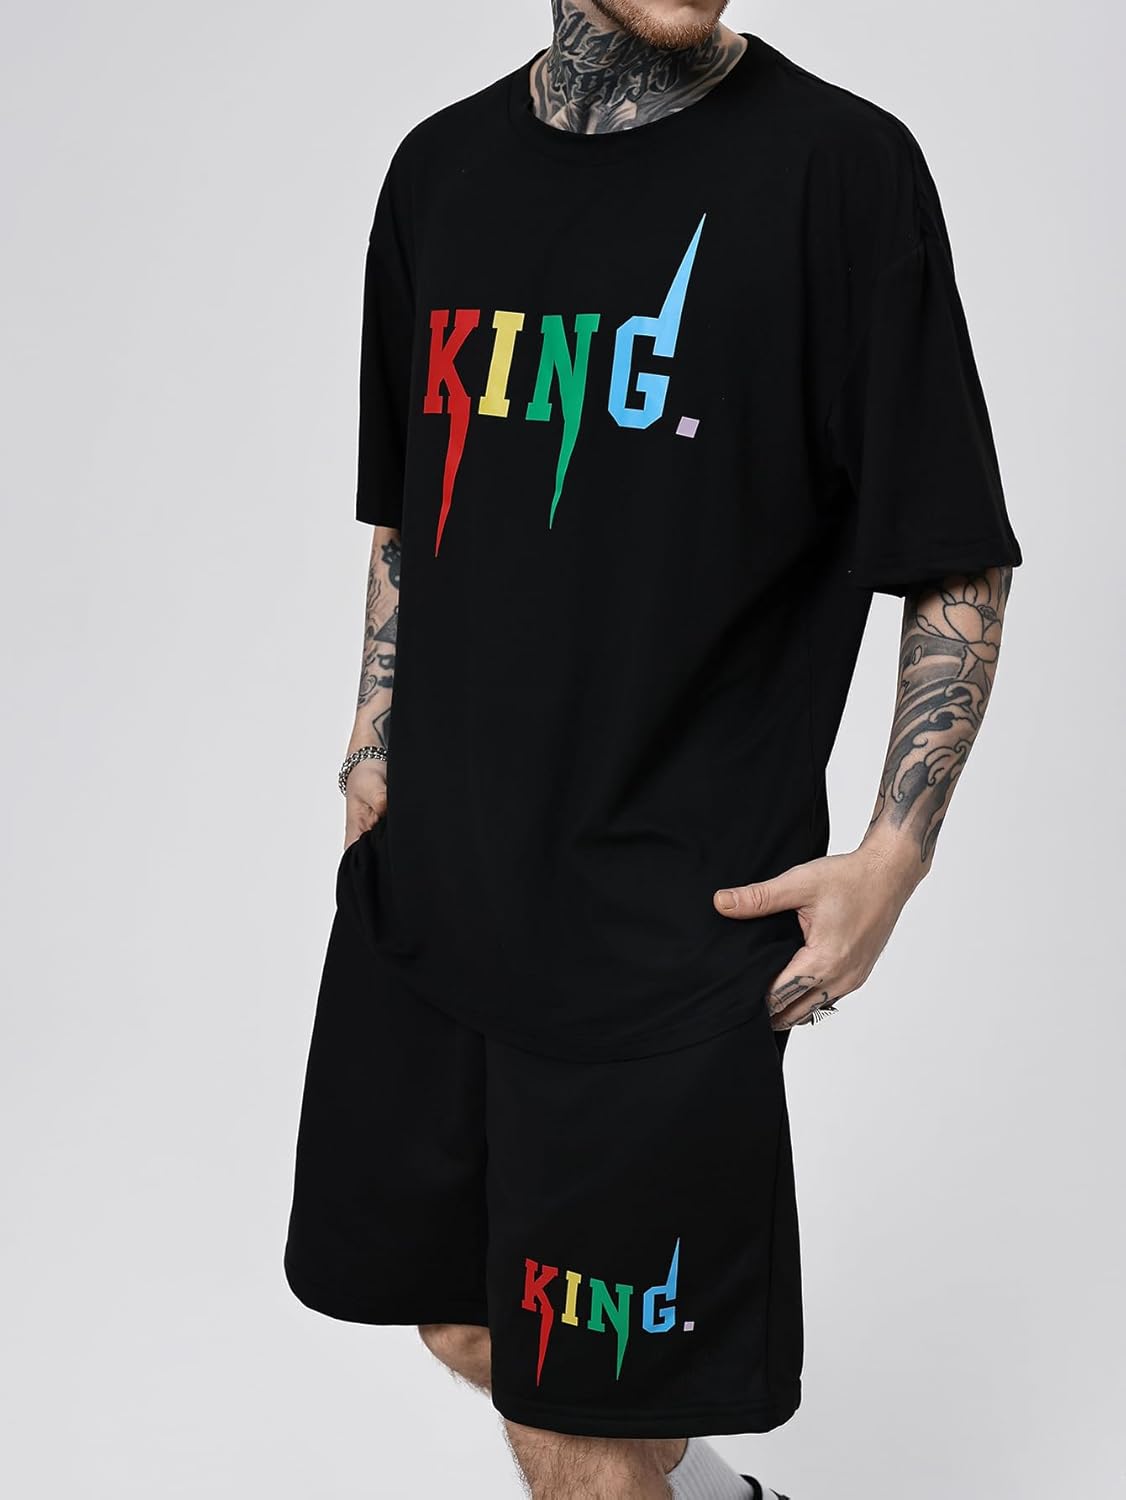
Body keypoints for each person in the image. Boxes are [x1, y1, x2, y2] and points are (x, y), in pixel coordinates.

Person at [284, 2, 1022, 1495]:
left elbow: (952, 549)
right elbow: (407, 510)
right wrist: (372, 747)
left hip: (663, 929)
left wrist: (895, 854)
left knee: (586, 1430)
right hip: (437, 897)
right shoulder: (439, 173)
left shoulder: (839, 170)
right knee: (463, 1318)